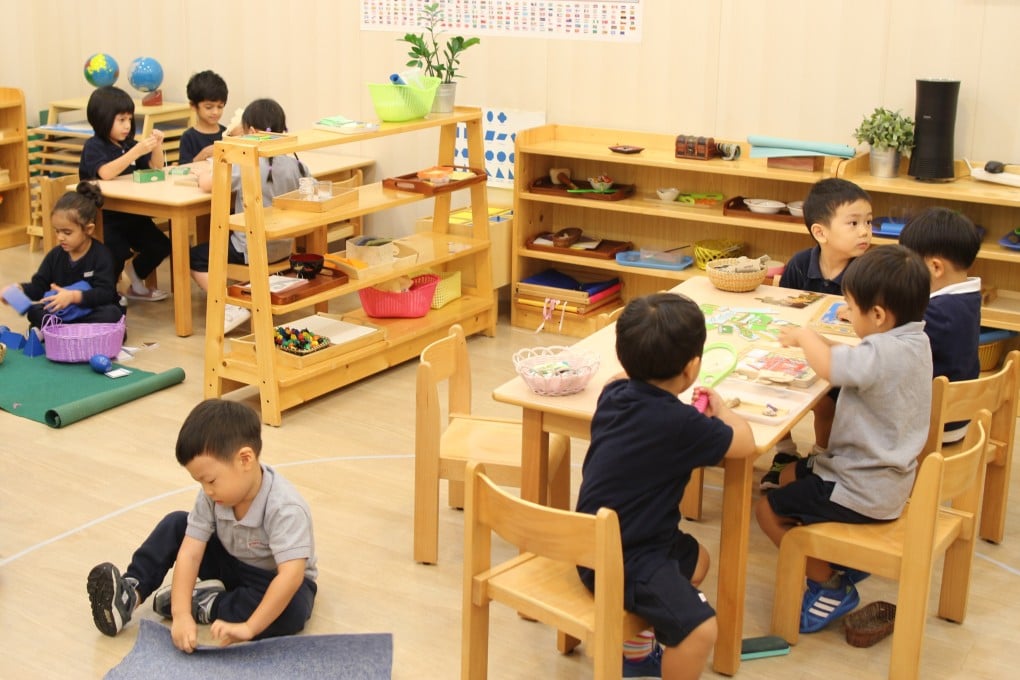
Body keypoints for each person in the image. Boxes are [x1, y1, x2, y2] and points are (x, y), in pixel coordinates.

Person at [575, 293, 755, 680]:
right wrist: (722, 410)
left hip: (593, 542)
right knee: (700, 630)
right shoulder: (682, 425)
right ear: (691, 368)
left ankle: (636, 653)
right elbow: (745, 444)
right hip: (625, 558)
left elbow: (625, 383)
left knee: (697, 559)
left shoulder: (613, 395)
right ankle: (644, 655)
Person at [755, 245, 932, 634]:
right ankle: (838, 558)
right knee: (786, 479)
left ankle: (830, 585)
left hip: (860, 487)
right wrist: (823, 340)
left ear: (880, 316)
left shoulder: (883, 351)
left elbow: (832, 367)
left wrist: (805, 335)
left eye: (851, 307)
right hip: (888, 479)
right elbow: (858, 358)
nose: (846, 313)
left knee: (766, 509)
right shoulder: (913, 341)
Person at [86, 399, 318, 651]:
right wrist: (181, 614)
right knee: (176, 523)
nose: (206, 490)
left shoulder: (285, 508)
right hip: (230, 562)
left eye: (210, 480)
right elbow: (191, 552)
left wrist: (249, 627)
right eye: (201, 483)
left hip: (272, 578)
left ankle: (210, 603)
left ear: (245, 459)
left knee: (292, 610)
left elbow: (291, 576)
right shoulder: (211, 496)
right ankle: (130, 593)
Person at [761, 177, 874, 490]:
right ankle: (784, 452)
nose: (865, 231)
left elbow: (872, 327)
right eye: (853, 223)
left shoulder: (868, 271)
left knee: (825, 403)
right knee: (768, 384)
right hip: (799, 349)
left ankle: (819, 454)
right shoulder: (799, 264)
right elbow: (785, 310)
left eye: (868, 222)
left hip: (841, 356)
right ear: (820, 232)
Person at [188, 98, 310, 333]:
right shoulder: (297, 165)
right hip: (282, 247)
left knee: (194, 256)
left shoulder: (245, 163)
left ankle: (227, 306)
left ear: (252, 132)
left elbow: (206, 184)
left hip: (249, 249)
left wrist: (203, 171)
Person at [78, 86, 171, 302]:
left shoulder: (128, 145)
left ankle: (136, 278)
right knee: (115, 253)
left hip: (133, 215)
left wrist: (156, 146)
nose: (127, 125)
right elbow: (105, 173)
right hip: (105, 218)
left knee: (161, 245)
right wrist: (135, 152)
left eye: (129, 119)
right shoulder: (94, 146)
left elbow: (155, 168)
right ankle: (106, 293)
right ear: (103, 119)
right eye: (121, 120)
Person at [899, 207, 983, 443]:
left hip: (935, 425)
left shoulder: (937, 313)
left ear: (935, 267)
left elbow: (889, 337)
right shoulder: (968, 298)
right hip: (958, 416)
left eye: (911, 266)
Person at [3, 182, 123, 329]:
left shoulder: (101, 255)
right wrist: (19, 289)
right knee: (35, 312)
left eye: (67, 233)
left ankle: (57, 330)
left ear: (89, 229)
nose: (60, 237)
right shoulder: (55, 255)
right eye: (57, 231)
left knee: (112, 314)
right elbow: (39, 286)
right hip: (63, 312)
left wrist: (73, 297)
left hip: (90, 309)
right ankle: (64, 329)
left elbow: (105, 293)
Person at [178, 70, 230, 164]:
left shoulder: (226, 134)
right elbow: (183, 169)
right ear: (193, 106)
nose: (215, 112)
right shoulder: (188, 137)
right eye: (208, 107)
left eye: (220, 106)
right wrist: (201, 156)